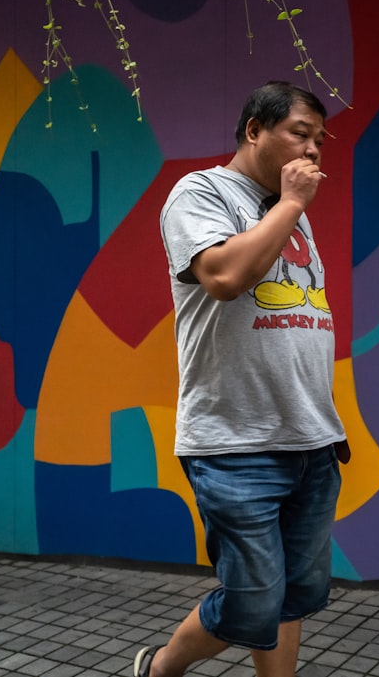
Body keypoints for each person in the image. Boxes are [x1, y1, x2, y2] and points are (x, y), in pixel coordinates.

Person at [138, 81, 349, 677]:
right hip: (235, 441)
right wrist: (290, 205)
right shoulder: (200, 192)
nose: (312, 152)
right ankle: (159, 669)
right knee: (253, 599)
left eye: (319, 141)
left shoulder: (293, 216)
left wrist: (290, 209)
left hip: (312, 438)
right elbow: (225, 277)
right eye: (299, 134)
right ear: (255, 129)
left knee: (293, 596)